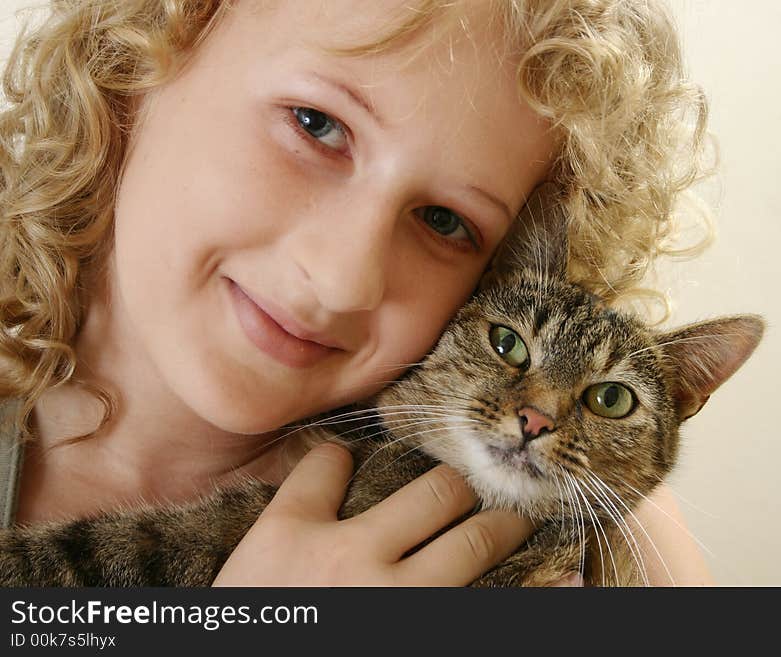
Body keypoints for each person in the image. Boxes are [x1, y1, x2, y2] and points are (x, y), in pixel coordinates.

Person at [0, 0, 712, 586]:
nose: (343, 278)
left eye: (445, 222)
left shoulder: (598, 532)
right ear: (142, 49)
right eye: (317, 125)